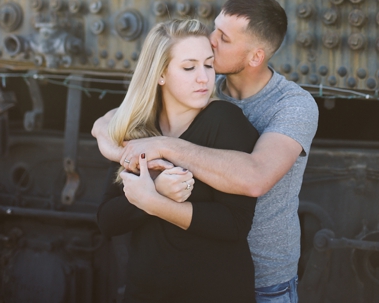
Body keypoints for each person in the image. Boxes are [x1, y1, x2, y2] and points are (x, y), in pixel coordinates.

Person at [93, 0, 319, 303]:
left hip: (265, 280)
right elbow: (107, 124)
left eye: (223, 38)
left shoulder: (291, 105)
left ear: (255, 57)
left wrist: (160, 149)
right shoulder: (200, 94)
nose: (210, 41)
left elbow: (255, 178)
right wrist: (124, 151)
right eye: (215, 29)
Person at [97, 18, 259, 303]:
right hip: (145, 293)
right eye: (189, 67)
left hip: (215, 294)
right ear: (160, 74)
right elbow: (107, 221)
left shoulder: (225, 121)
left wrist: (154, 202)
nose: (204, 78)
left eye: (208, 65)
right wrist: (156, 189)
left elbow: (235, 224)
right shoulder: (138, 130)